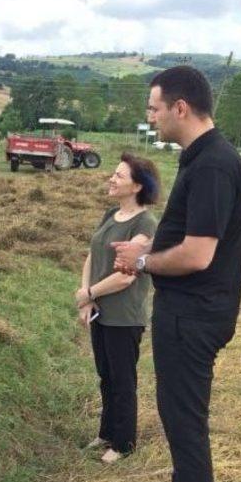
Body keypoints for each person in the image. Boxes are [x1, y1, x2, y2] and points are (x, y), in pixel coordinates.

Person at [112, 66, 241, 482]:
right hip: (188, 313)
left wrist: (143, 262)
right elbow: (190, 234)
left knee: (185, 422)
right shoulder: (204, 159)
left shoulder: (213, 164)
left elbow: (197, 255)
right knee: (179, 418)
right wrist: (153, 242)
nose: (150, 118)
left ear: (180, 108)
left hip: (193, 317)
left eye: (153, 108)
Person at [76, 153, 160, 463]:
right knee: (106, 375)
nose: (112, 179)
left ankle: (124, 443)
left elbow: (126, 276)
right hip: (100, 309)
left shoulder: (145, 223)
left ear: (137, 186)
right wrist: (87, 296)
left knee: (123, 380)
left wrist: (89, 293)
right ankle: (106, 432)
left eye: (119, 176)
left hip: (124, 316)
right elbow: (91, 254)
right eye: (113, 173)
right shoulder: (110, 214)